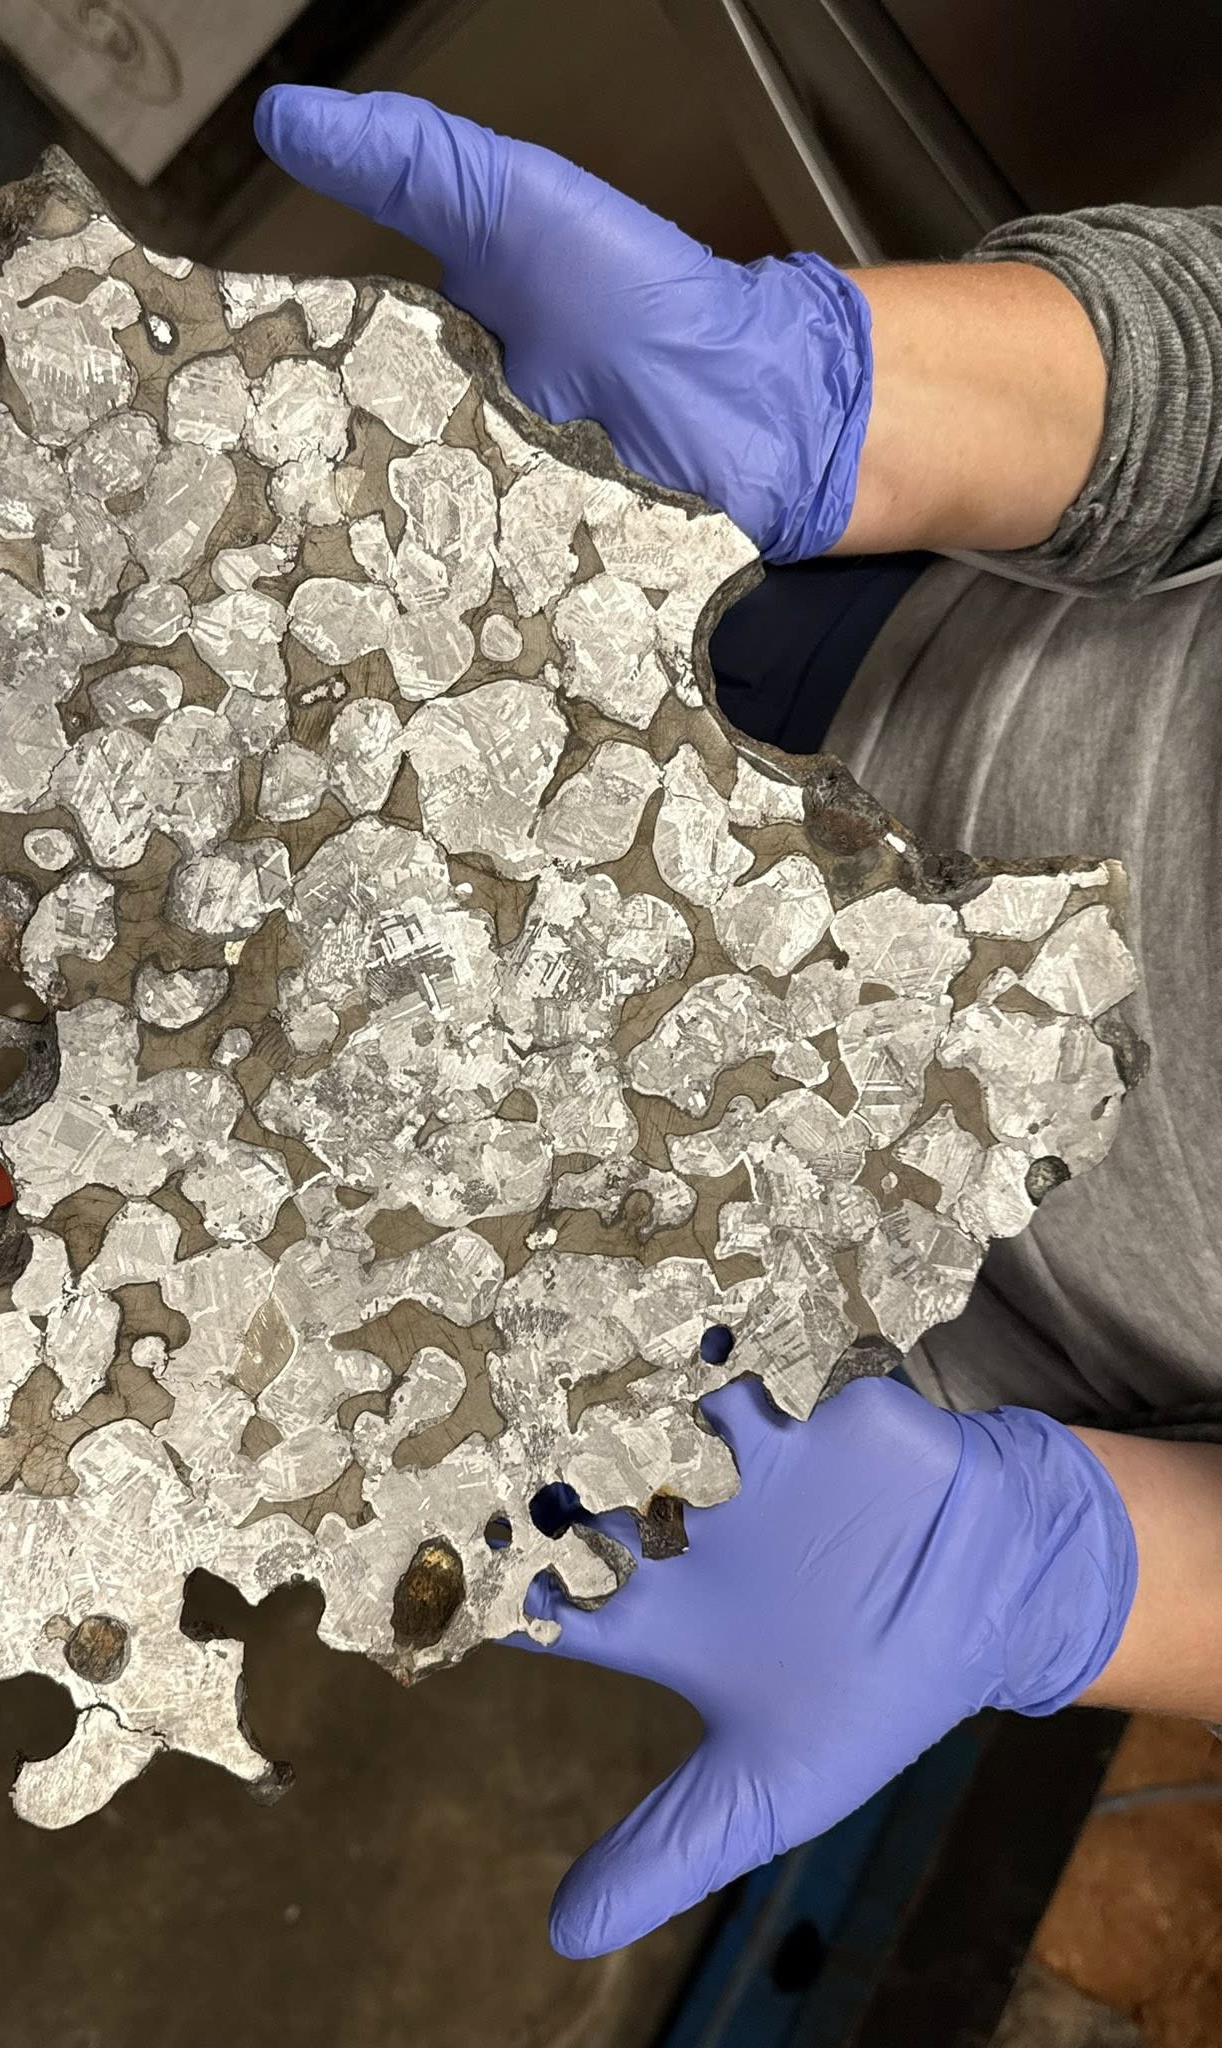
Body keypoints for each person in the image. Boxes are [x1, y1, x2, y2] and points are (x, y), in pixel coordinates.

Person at [253, 85, 1222, 1961]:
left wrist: (1037, 1578)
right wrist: (853, 391)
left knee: (296, 1255)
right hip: (850, 655)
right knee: (252, 806)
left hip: (839, 1343)